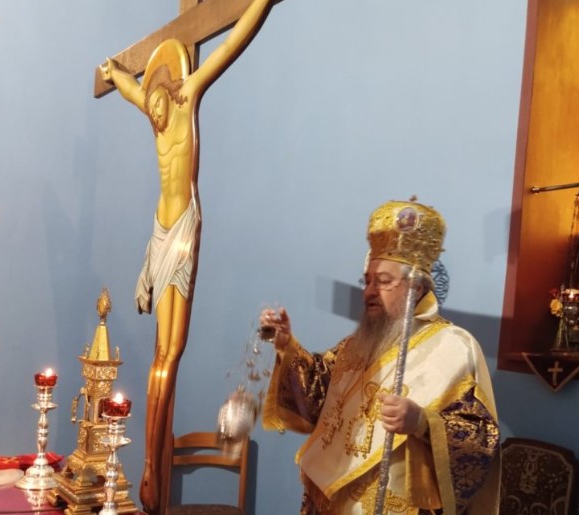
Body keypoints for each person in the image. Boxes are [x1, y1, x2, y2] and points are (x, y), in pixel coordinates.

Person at [99, 0, 272, 512]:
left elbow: (228, 45)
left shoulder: (188, 92)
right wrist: (114, 73)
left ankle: (151, 469)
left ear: (172, 89)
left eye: (158, 103)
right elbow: (129, 88)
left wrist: (260, 4)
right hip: (158, 232)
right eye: (150, 106)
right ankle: (149, 467)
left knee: (170, 353)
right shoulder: (152, 112)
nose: (154, 114)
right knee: (160, 354)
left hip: (183, 231)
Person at [260, 199, 500, 515]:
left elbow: (481, 440)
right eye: (368, 281)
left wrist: (422, 423)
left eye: (384, 282)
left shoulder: (454, 347)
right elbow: (317, 393)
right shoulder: (357, 344)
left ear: (416, 288)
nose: (370, 291)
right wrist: (287, 345)